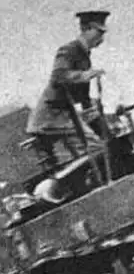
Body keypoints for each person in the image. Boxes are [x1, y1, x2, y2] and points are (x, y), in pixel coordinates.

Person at [25, 10, 110, 167]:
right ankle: (81, 179)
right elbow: (58, 76)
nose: (102, 38)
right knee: (96, 148)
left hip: (63, 114)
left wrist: (94, 115)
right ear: (86, 29)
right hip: (52, 116)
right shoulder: (69, 50)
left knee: (97, 146)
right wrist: (84, 75)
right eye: (99, 32)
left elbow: (83, 96)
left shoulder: (84, 55)